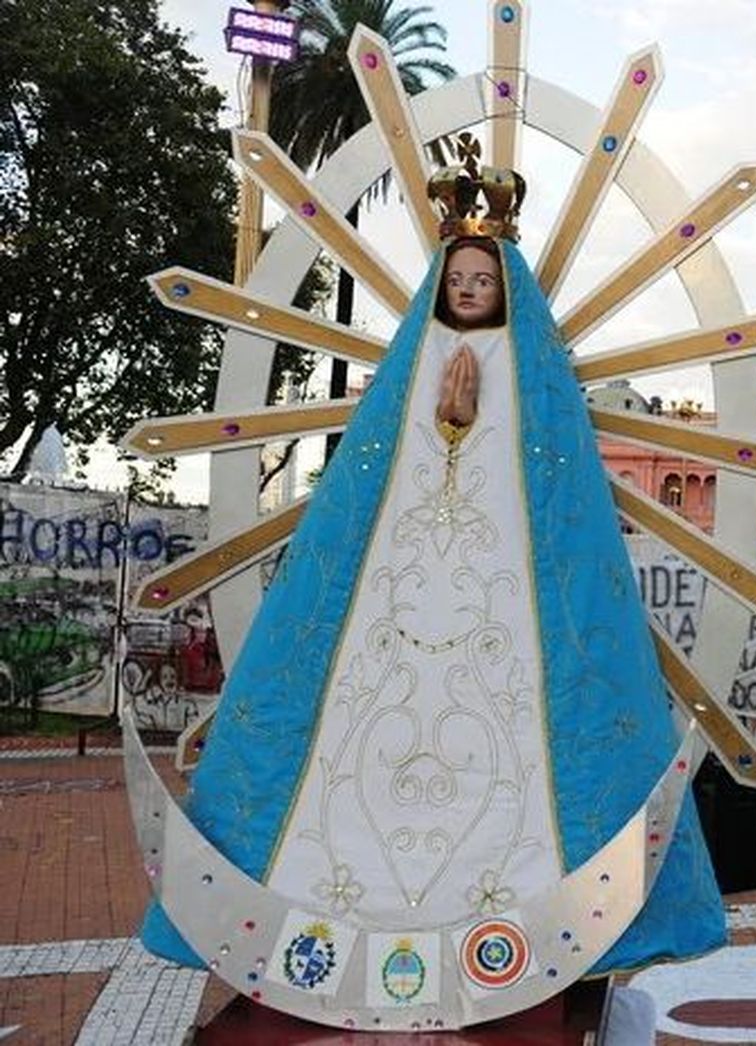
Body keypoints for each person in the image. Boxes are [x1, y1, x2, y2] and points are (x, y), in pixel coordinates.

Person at [140, 146, 726, 982]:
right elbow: (375, 478)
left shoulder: (536, 376)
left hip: (510, 600)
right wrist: (443, 426)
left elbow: (558, 495)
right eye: (459, 280)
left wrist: (478, 432)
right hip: (397, 590)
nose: (470, 291)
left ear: (507, 291)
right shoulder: (411, 369)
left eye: (484, 281)